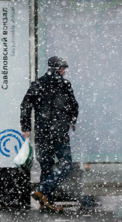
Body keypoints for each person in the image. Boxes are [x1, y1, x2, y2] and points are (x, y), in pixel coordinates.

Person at [20, 56, 79, 212]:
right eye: (63, 68)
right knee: (66, 164)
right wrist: (72, 120)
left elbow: (25, 105)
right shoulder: (64, 84)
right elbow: (74, 105)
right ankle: (44, 190)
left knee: (46, 167)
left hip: (42, 132)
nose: (64, 71)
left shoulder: (38, 84)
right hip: (59, 132)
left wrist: (26, 127)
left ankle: (47, 203)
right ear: (58, 69)